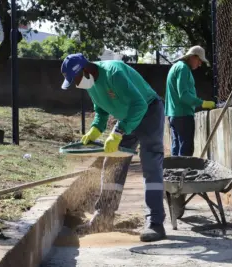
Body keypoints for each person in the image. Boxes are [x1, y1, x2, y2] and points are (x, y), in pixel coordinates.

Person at [60, 53, 166, 242]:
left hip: (149, 112)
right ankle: (103, 218)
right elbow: (101, 111)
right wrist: (95, 129)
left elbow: (139, 104)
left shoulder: (114, 73)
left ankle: (155, 224)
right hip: (127, 118)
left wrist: (118, 132)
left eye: (76, 80)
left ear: (85, 70)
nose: (77, 85)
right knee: (112, 165)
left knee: (150, 166)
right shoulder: (91, 83)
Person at [165, 45, 216, 157]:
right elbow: (183, 95)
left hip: (174, 114)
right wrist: (202, 103)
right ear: (192, 57)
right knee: (185, 152)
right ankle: (183, 174)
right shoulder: (183, 69)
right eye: (199, 60)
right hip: (183, 115)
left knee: (176, 149)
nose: (200, 64)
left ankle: (175, 173)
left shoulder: (176, 67)